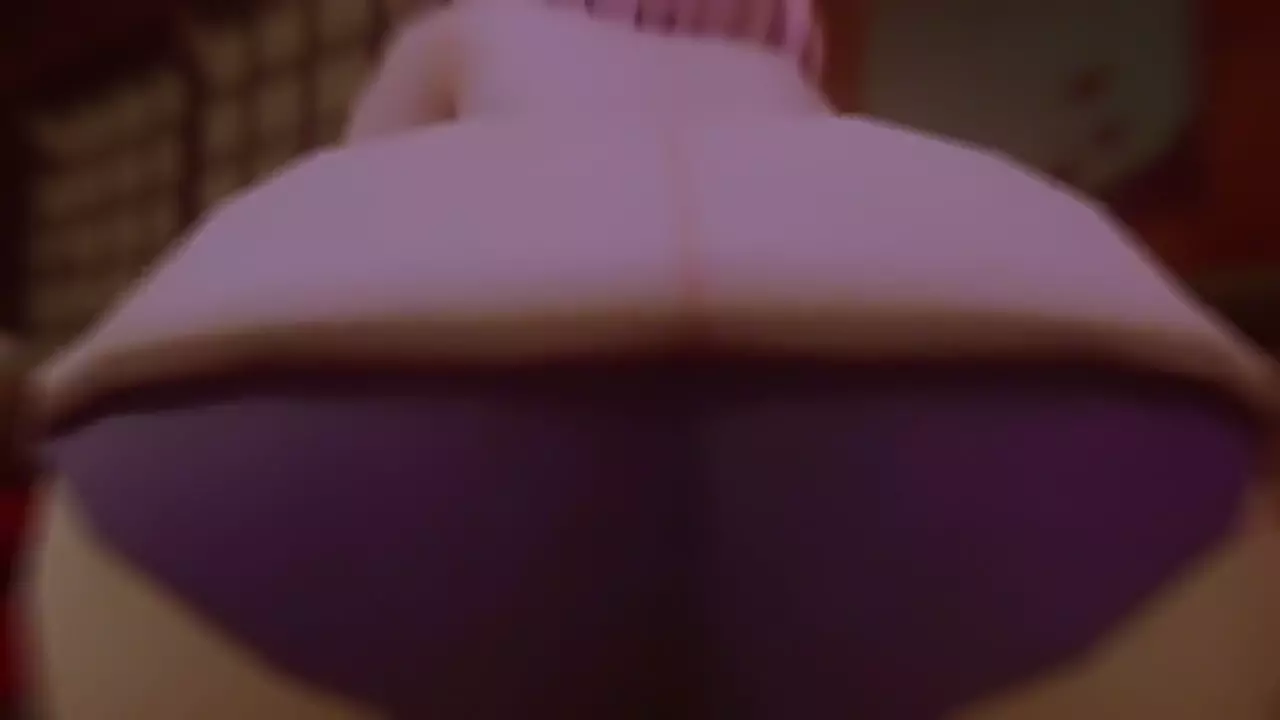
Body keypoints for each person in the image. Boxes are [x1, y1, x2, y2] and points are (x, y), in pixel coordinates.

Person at [24, 1, 1280, 718]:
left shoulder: (468, 37)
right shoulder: (780, 72)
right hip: (1020, 445)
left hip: (333, 441)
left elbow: (372, 171)